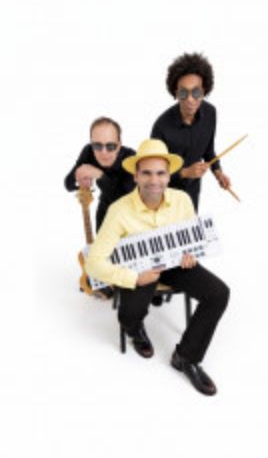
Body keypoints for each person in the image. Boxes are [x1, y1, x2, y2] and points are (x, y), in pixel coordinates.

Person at [85, 139, 230, 396]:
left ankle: (186, 357)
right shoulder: (118, 211)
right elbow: (94, 263)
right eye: (147, 173)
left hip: (174, 263)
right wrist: (134, 278)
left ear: (169, 175)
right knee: (129, 315)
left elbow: (192, 240)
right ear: (136, 176)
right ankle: (135, 330)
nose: (154, 180)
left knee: (218, 293)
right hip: (138, 268)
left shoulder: (183, 200)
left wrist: (190, 255)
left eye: (161, 173)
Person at [151, 52, 232, 211]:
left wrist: (218, 174)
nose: (190, 99)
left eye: (196, 93)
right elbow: (153, 173)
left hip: (192, 194)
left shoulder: (210, 113)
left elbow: (208, 151)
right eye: (183, 93)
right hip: (164, 197)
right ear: (175, 93)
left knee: (190, 226)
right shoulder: (161, 126)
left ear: (204, 91)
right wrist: (185, 173)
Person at [64, 117, 135, 231]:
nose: (103, 152)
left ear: (119, 145)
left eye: (110, 146)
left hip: (131, 211)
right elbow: (68, 184)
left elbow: (121, 200)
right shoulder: (89, 152)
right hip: (105, 205)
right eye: (97, 146)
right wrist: (80, 181)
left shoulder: (131, 159)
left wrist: (99, 174)